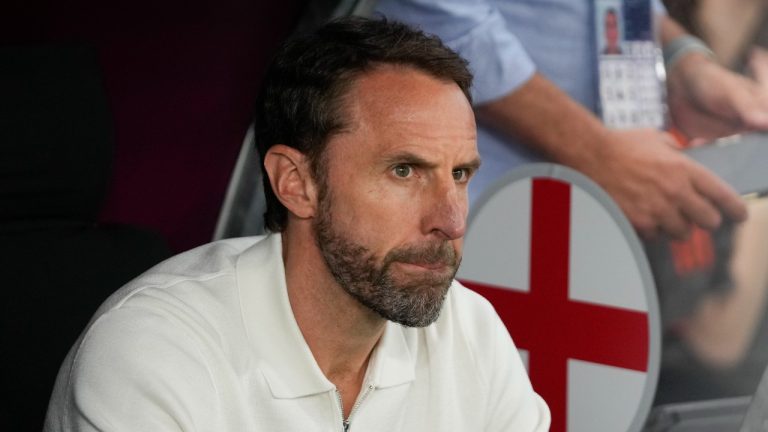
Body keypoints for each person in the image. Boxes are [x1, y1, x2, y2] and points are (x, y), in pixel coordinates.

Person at [44, 17, 550, 432]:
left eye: (459, 174)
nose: (452, 220)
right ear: (296, 182)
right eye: (404, 171)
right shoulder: (153, 351)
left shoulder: (470, 330)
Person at [374, 0, 768, 240]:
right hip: (441, 198)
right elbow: (434, 10)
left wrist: (681, 58)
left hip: (561, 222)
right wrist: (591, 148)